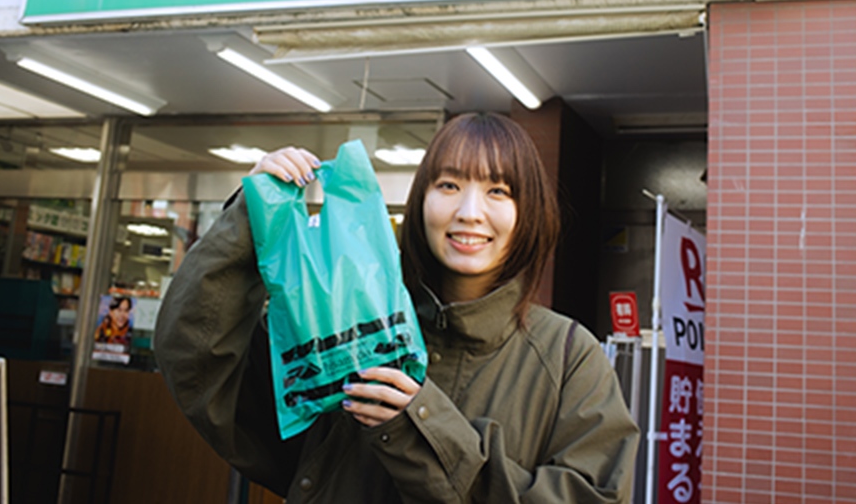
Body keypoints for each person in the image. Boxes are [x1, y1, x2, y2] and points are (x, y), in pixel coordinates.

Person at [155, 112, 639, 502]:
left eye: (498, 191)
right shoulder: (344, 320)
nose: (469, 212)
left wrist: (422, 424)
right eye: (448, 185)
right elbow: (201, 367)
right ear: (420, 200)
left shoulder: (568, 357)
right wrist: (249, 215)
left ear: (527, 212)